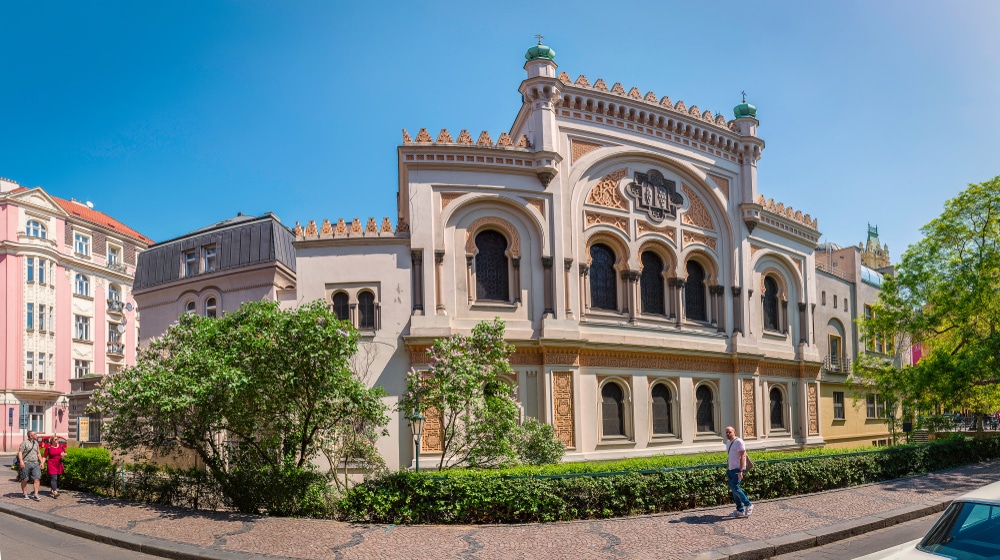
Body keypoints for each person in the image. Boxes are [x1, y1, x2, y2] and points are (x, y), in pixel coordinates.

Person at [724, 426, 753, 518]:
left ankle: (748, 504)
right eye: (727, 432)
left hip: (737, 469)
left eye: (730, 432)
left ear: (734, 432)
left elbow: (743, 456)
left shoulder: (739, 441)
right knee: (734, 490)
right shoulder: (728, 442)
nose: (728, 434)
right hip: (730, 469)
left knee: (735, 487)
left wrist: (741, 470)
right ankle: (740, 510)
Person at [17, 431, 42, 501]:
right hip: (26, 463)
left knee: (37, 479)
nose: (36, 435)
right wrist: (21, 461)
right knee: (25, 479)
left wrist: (41, 462)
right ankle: (25, 493)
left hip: (35, 463)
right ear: (30, 436)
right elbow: (20, 452)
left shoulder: (36, 443)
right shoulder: (24, 443)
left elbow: (39, 453)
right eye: (34, 434)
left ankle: (36, 494)